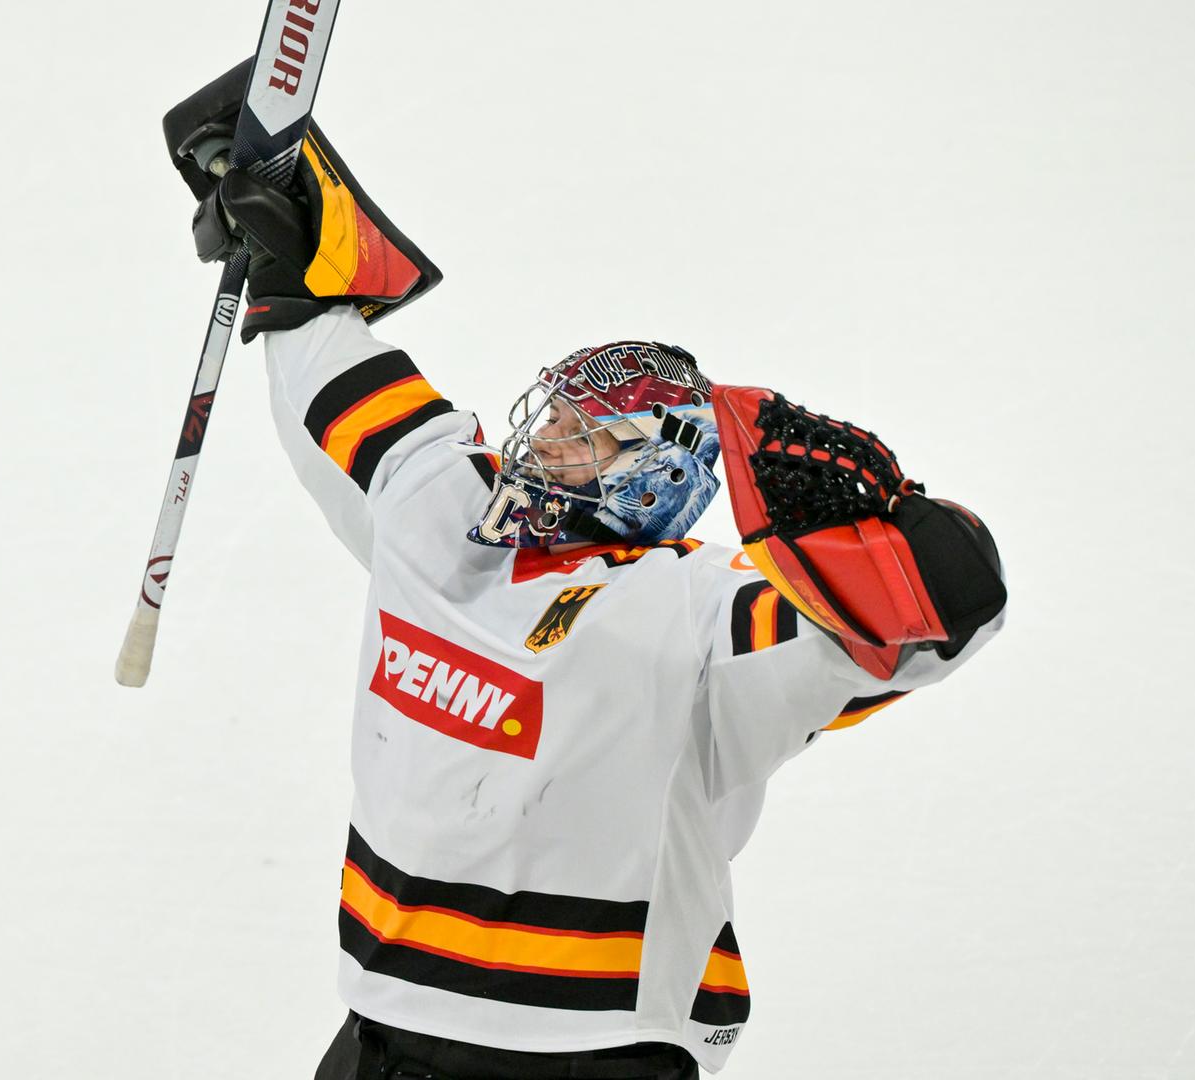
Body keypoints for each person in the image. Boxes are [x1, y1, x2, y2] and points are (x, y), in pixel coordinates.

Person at [164, 76, 1007, 1080]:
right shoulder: (443, 509)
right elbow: (328, 358)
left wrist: (872, 522)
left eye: (585, 435)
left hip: (593, 1055)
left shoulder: (702, 617)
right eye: (553, 415)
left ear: (658, 476)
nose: (544, 442)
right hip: (381, 1034)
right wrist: (280, 230)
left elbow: (937, 617)